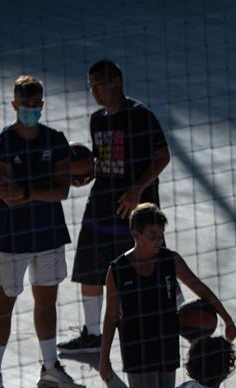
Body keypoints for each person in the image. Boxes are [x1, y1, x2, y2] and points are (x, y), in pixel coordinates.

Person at [98, 203, 236, 388]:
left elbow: (199, 287)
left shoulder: (169, 261)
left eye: (160, 235)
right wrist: (104, 356)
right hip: (137, 348)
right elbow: (111, 317)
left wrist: (226, 318)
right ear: (135, 233)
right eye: (152, 236)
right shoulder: (118, 269)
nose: (158, 241)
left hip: (165, 346)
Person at [0, 75, 84, 388]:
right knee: (3, 305)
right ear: (14, 105)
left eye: (36, 104)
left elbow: (62, 190)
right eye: (25, 105)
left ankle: (50, 366)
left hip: (49, 234)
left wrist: (26, 190)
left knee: (47, 302)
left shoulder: (55, 139)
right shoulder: (1, 144)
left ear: (42, 104)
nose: (31, 109)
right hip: (12, 238)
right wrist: (36, 191)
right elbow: (8, 195)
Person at [60, 59, 170, 355]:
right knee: (89, 268)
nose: (94, 91)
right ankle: (93, 334)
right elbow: (104, 162)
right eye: (91, 86)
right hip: (102, 204)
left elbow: (162, 156)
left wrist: (137, 189)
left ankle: (154, 328)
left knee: (145, 268)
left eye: (100, 84)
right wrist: (85, 174)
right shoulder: (97, 120)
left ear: (117, 82)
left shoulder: (140, 116)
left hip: (136, 210)